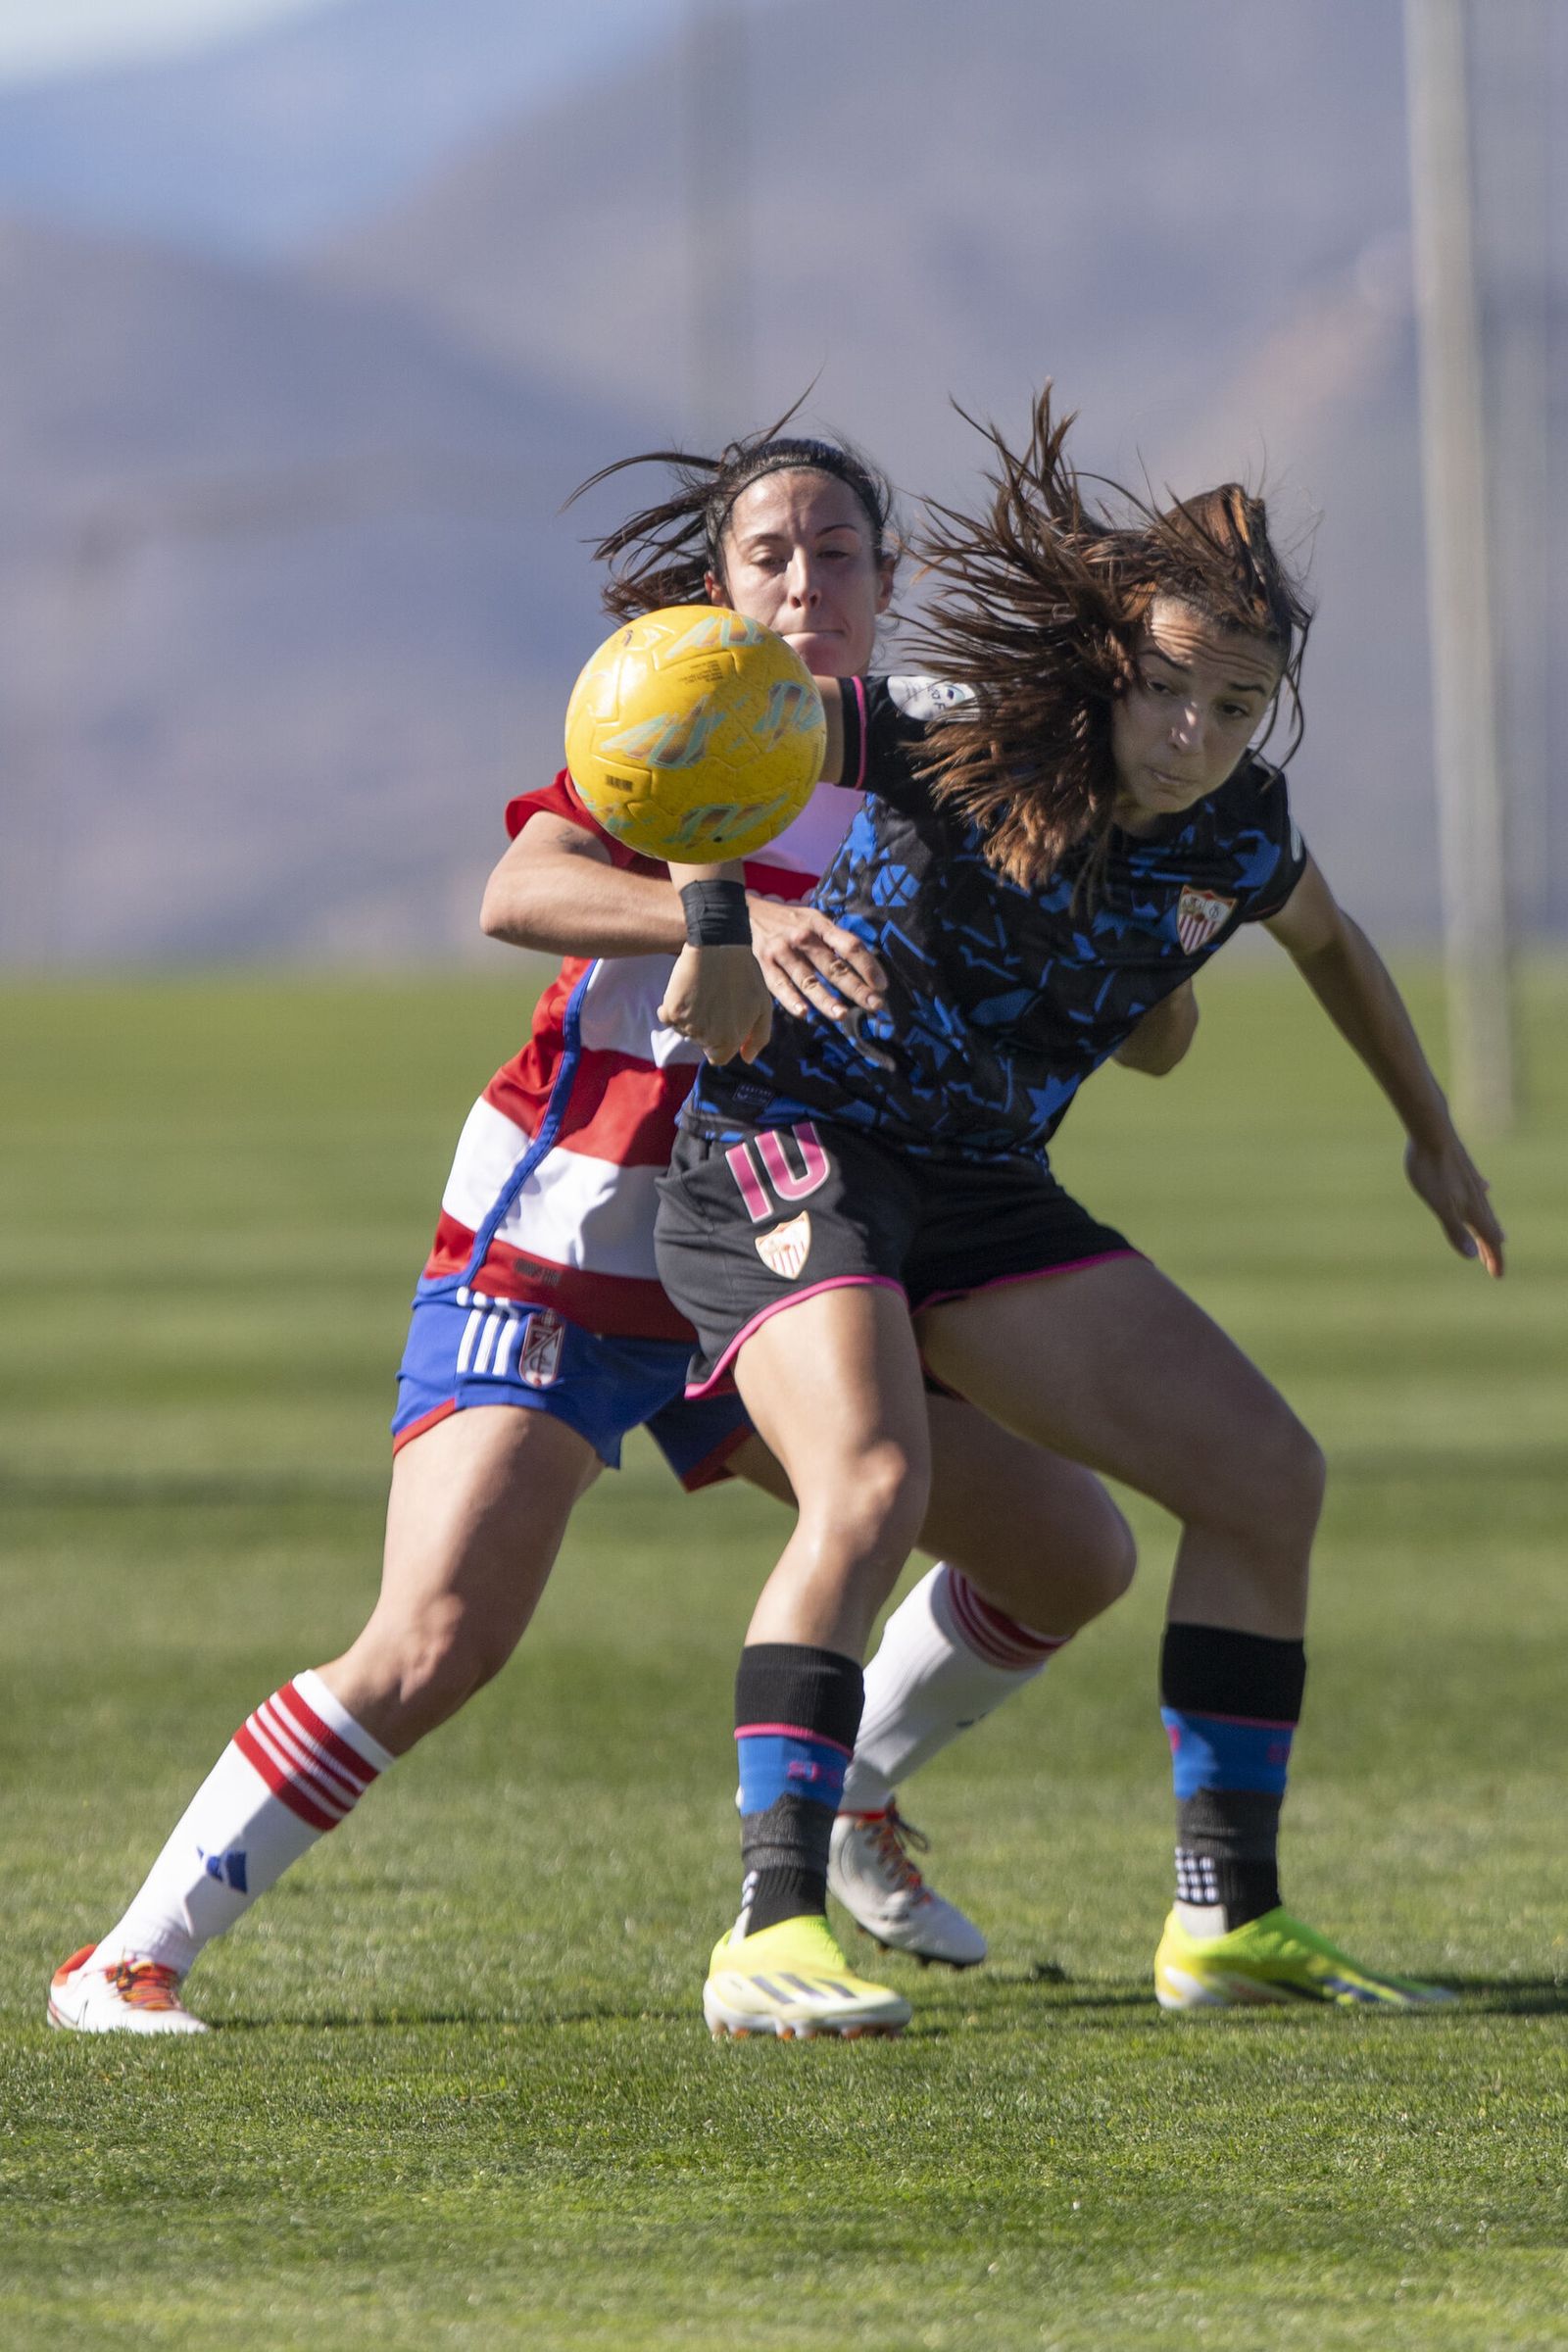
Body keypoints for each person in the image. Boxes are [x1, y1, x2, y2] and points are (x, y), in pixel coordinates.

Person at [47, 419, 1156, 2036]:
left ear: (888, 580)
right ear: (716, 585)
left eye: (834, 552)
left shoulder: (942, 750)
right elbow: (520, 889)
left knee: (1070, 1549)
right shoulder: (689, 708)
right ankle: (126, 1959)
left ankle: (844, 1800)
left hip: (775, 1241)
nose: (801, 583)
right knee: (436, 1642)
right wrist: (725, 910)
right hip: (568, 1236)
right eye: (767, 555)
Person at [654, 387, 1505, 2039]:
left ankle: (1224, 1921)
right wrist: (712, 922)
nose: (1195, 733)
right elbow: (698, 726)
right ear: (1109, 665)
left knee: (1266, 1477)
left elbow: (1332, 944)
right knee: (876, 1478)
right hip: (791, 1143)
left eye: (1238, 707)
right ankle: (768, 1929)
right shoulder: (949, 722)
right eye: (1167, 691)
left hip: (978, 1190)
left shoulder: (1241, 825)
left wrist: (1432, 1137)